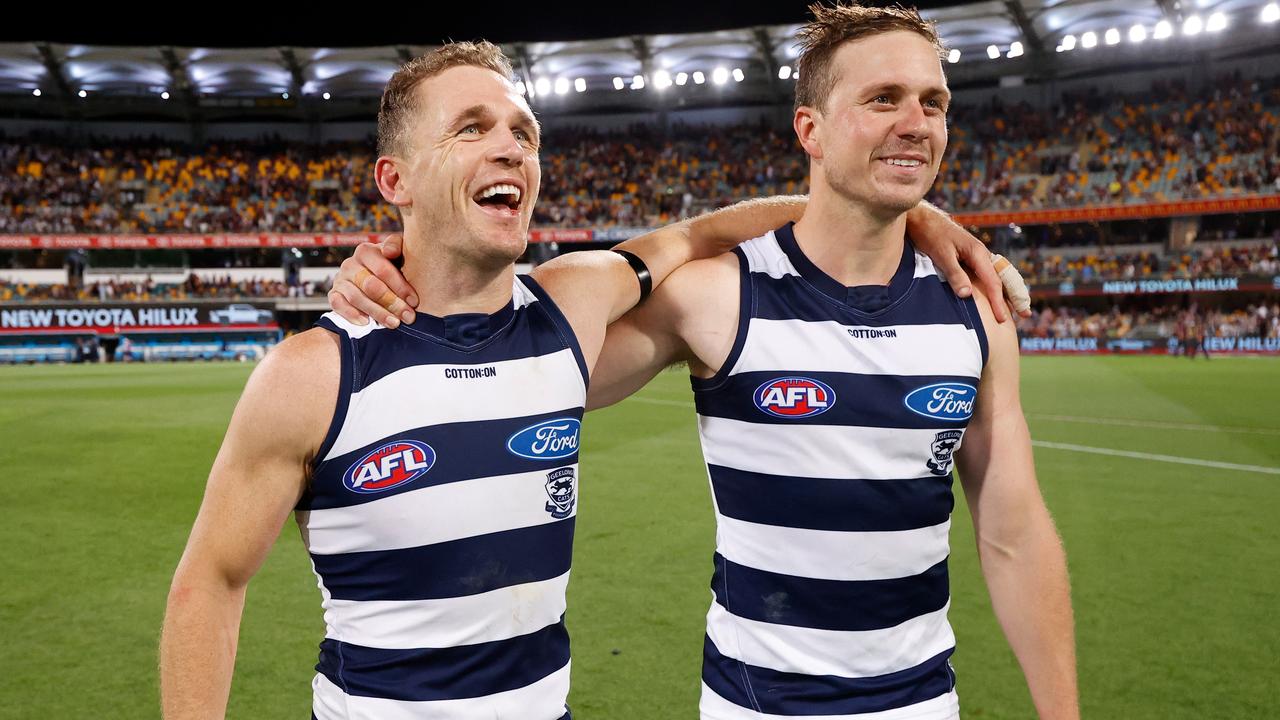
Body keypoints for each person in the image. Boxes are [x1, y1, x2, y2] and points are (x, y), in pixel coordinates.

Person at [159, 39, 1010, 720]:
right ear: (395, 180)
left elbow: (702, 231)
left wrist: (918, 213)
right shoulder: (313, 372)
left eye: (523, 133)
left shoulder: (572, 305)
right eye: (471, 129)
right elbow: (212, 584)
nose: (510, 148)